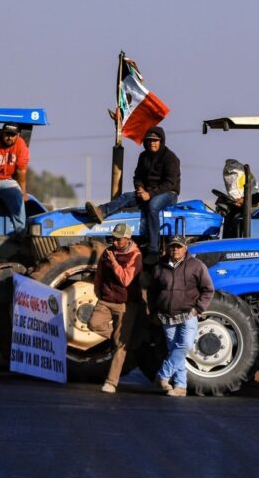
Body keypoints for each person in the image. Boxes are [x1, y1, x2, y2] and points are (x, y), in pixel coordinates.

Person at [86, 126, 180, 261]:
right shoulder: (144, 156)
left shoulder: (170, 158)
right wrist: (140, 188)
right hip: (147, 191)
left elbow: (170, 183)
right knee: (127, 197)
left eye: (155, 140)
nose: (152, 143)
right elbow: (138, 177)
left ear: (161, 141)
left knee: (153, 206)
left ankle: (153, 249)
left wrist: (150, 194)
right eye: (149, 140)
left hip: (168, 193)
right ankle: (101, 212)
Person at [148, 236, 214, 397]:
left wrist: (198, 309)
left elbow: (208, 289)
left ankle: (163, 375)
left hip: (188, 314)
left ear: (185, 249)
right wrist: (154, 311)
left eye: (178, 246)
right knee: (174, 350)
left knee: (185, 346)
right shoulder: (159, 267)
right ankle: (180, 386)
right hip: (167, 316)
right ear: (168, 249)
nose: (175, 249)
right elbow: (152, 291)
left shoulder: (197, 266)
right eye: (172, 247)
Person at [88, 223, 144, 394]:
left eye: (118, 239)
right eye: (113, 238)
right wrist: (98, 290)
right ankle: (119, 340)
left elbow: (126, 279)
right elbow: (100, 273)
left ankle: (111, 382)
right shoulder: (107, 252)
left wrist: (114, 262)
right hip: (106, 299)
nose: (115, 242)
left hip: (125, 303)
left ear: (127, 239)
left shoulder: (135, 255)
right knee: (93, 324)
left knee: (120, 346)